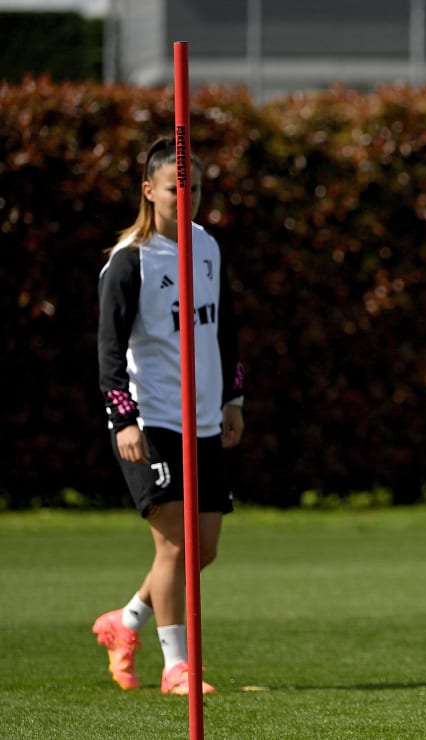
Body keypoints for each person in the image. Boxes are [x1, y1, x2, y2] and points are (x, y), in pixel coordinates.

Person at [94, 137, 245, 695]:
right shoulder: (129, 260)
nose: (189, 199)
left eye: (197, 189)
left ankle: (125, 621)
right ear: (149, 191)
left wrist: (234, 399)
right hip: (153, 420)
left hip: (206, 417)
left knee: (201, 549)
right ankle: (176, 666)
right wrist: (122, 419)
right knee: (174, 548)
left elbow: (225, 326)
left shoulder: (207, 247)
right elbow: (109, 350)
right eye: (176, 189)